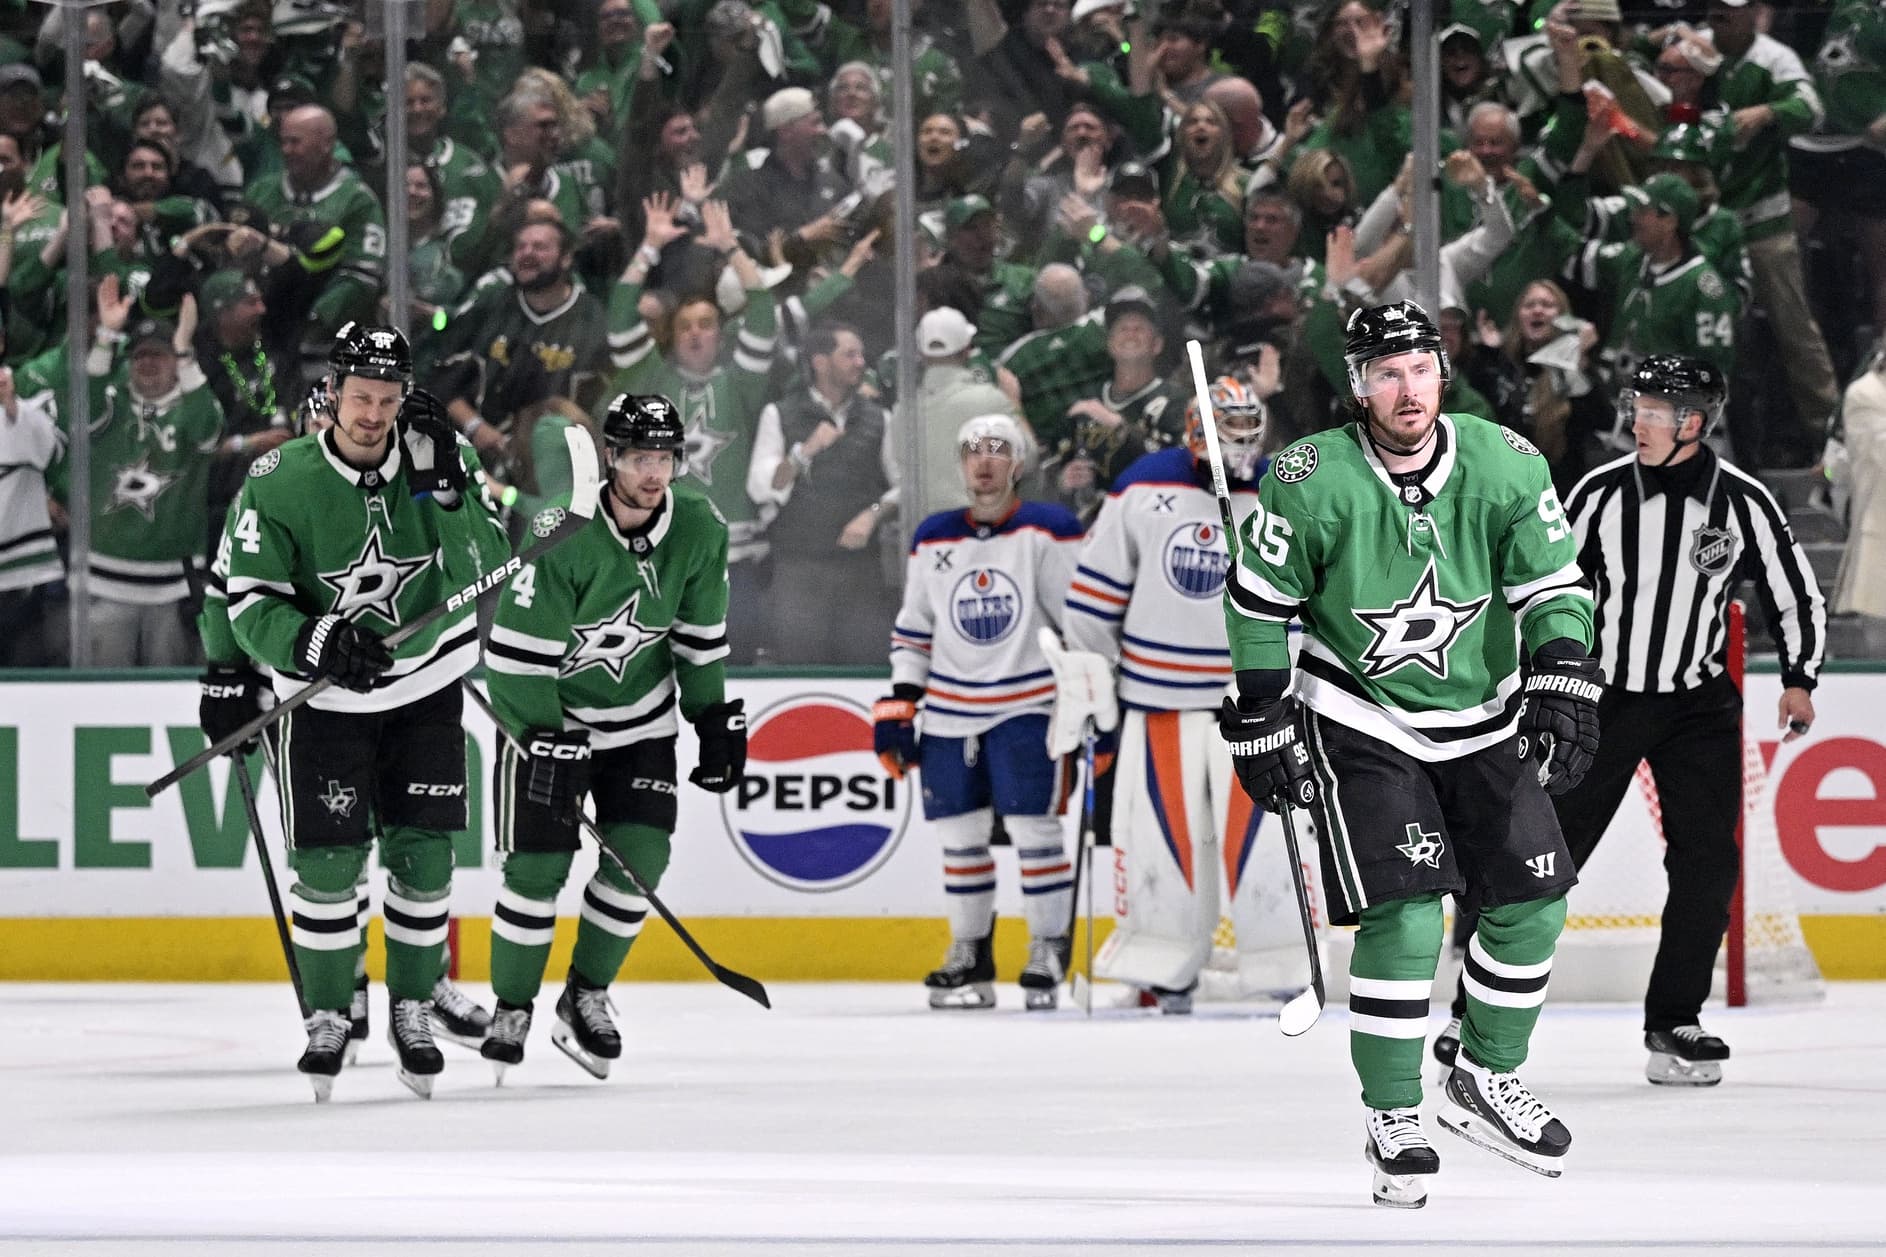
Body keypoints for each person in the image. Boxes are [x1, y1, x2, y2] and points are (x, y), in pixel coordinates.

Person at [1218, 301, 1599, 1207]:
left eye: (1419, 368)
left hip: (1481, 708)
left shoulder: (1506, 460)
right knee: (1409, 915)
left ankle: (1479, 1070)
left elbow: (1552, 582)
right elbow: (1258, 602)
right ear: (1358, 386)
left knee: (1536, 899)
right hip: (1359, 714)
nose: (1406, 389)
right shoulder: (1309, 476)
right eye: (1385, 373)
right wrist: (1265, 711)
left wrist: (1562, 669)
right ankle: (1395, 1114)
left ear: (1442, 371)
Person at [225, 323, 512, 1101]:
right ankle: (329, 1014)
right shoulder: (279, 478)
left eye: (387, 400)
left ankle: (412, 1010)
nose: (373, 414)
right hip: (326, 701)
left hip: (424, 685)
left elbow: (490, 569)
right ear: (331, 395)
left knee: (424, 858)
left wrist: (447, 491)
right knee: (325, 863)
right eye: (360, 397)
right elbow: (247, 600)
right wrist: (314, 639)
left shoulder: (437, 453)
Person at [1549, 355, 1823, 1085]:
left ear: (1693, 424)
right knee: (1540, 856)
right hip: (1604, 698)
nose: (1635, 419)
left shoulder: (1744, 501)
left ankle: (1674, 1020)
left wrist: (1800, 678)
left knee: (1707, 866)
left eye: (1652, 409)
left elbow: (1797, 593)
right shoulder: (1599, 494)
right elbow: (1543, 587)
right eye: (1635, 404)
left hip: (1698, 705)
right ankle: (1478, 1014)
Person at [480, 393, 745, 1080]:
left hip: (639, 724)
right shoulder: (561, 527)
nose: (653, 473)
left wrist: (711, 719)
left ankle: (585, 995)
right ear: (611, 458)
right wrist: (545, 736)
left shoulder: (699, 527)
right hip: (549, 719)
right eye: (638, 457)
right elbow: (513, 660)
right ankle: (512, 1006)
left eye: (664, 458)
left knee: (641, 858)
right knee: (536, 869)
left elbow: (698, 638)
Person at [1063, 375, 1311, 1014]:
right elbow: (1094, 597)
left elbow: (1309, 602)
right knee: (1162, 842)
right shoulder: (1145, 485)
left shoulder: (1285, 491)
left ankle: (1281, 967)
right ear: (1197, 429)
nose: (1241, 440)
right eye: (1227, 426)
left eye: (1248, 425)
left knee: (1264, 839)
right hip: (1159, 702)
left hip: (1256, 705)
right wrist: (1094, 676)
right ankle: (1161, 966)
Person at [873, 414, 1082, 1010]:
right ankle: (970, 952)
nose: (984, 462)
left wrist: (1088, 690)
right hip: (949, 714)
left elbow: (1077, 621)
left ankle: (1047, 946)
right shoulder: (933, 536)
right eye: (972, 452)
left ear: (1018, 465)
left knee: (1033, 831)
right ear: (961, 463)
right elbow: (914, 630)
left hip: (1029, 704)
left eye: (997, 452)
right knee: (960, 838)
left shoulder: (1050, 530)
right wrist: (899, 704)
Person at [84, 285, 223, 667]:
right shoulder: (110, 403)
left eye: (158, 355)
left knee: (174, 692)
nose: (147, 363)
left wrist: (184, 347)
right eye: (140, 355)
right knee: (103, 696)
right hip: (106, 578)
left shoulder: (194, 404)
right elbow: (82, 398)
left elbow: (209, 431)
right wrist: (107, 336)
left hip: (174, 585)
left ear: (175, 361)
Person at [746, 321, 898, 663]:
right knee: (801, 679)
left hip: (862, 574)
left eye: (861, 354)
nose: (861, 362)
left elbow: (903, 486)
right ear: (819, 362)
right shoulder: (780, 414)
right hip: (798, 571)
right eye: (849, 354)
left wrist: (872, 515)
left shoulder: (878, 417)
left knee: (866, 675)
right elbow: (764, 488)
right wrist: (805, 451)